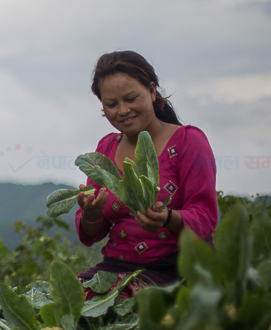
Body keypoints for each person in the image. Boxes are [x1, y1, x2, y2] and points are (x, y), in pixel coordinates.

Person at [75, 51, 218, 297]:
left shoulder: (188, 141)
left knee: (116, 303)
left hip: (178, 270)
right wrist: (91, 215)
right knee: (64, 298)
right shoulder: (106, 149)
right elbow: (91, 235)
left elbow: (204, 217)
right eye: (111, 104)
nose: (122, 110)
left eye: (131, 98)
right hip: (115, 269)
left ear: (152, 91)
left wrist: (167, 218)